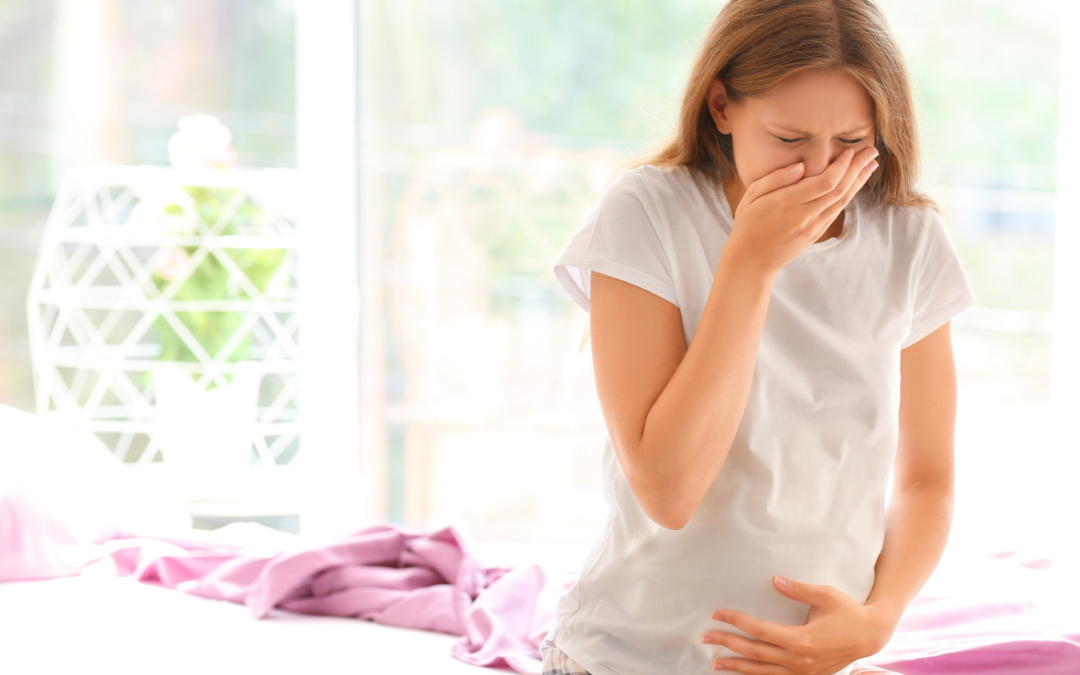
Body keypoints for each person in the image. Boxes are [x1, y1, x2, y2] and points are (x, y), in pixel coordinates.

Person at [540, 1, 976, 674]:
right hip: (629, 657)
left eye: (852, 143)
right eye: (790, 138)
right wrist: (750, 262)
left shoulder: (910, 240)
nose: (820, 171)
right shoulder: (648, 211)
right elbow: (669, 489)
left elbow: (927, 480)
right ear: (722, 107)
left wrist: (877, 619)